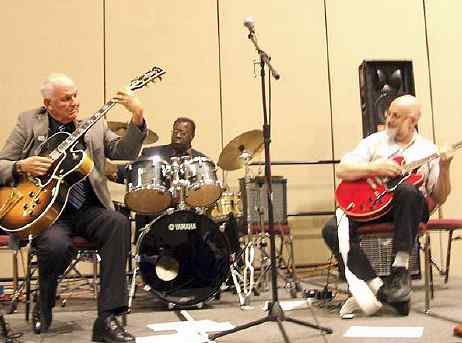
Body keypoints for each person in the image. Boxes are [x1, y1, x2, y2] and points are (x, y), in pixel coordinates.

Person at [0, 73, 148, 342]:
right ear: (48, 103)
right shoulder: (28, 123)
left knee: (118, 223)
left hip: (88, 209)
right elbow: (2, 164)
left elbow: (124, 151)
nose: (74, 103)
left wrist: (137, 115)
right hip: (46, 213)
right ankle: (44, 297)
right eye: (66, 99)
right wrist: (22, 166)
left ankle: (107, 319)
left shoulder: (94, 125)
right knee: (56, 246)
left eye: (76, 95)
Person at [322, 95, 454, 316]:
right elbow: (342, 169)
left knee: (408, 191)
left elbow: (439, 196)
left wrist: (445, 166)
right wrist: (374, 167)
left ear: (412, 121)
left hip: (409, 209)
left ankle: (400, 269)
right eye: (389, 113)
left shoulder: (427, 149)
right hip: (374, 206)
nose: (389, 118)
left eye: (396, 116)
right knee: (331, 229)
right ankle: (380, 288)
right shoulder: (374, 141)